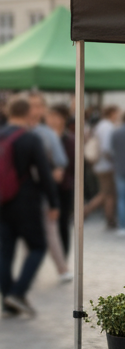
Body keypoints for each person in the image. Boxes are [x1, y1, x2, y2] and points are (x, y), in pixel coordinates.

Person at [1, 97, 58, 317]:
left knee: (5, 252)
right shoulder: (30, 138)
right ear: (27, 113)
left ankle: (8, 301)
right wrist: (53, 202)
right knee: (38, 247)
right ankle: (17, 292)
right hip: (26, 202)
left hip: (3, 201)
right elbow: (44, 174)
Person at [29, 93, 70, 281]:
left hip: (43, 191)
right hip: (18, 194)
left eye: (38, 106)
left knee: (52, 231)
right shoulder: (13, 131)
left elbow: (61, 163)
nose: (34, 110)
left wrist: (51, 172)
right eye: (31, 105)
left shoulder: (46, 134)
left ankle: (62, 268)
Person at [46, 105, 75, 277]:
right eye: (50, 116)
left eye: (56, 117)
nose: (52, 120)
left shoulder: (69, 139)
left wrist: (65, 178)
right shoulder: (42, 136)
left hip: (63, 187)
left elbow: (72, 164)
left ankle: (62, 260)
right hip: (45, 186)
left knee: (63, 223)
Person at [85, 105, 119, 228]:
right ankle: (87, 212)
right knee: (107, 193)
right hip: (105, 165)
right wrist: (115, 162)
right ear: (112, 113)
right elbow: (106, 148)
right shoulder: (107, 127)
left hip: (101, 165)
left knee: (106, 193)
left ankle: (108, 218)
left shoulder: (101, 125)